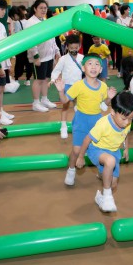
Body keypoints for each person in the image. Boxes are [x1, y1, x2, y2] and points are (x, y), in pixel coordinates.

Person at [54, 53, 117, 186]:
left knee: (100, 150)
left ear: (101, 69)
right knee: (77, 150)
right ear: (83, 68)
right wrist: (61, 91)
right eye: (90, 63)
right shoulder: (78, 85)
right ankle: (71, 170)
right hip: (81, 121)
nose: (93, 67)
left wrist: (109, 98)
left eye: (97, 64)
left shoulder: (103, 86)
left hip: (97, 122)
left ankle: (102, 171)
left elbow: (104, 106)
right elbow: (65, 100)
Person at [77, 91, 133, 212]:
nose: (127, 122)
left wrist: (126, 148)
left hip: (114, 151)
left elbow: (125, 135)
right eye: (124, 119)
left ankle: (101, 197)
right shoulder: (103, 124)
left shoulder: (127, 123)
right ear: (113, 112)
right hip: (97, 150)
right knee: (110, 161)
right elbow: (87, 139)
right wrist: (81, 157)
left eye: (130, 119)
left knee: (113, 184)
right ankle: (108, 197)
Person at [26, 0, 60, 112]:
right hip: (39, 58)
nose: (43, 10)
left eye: (45, 8)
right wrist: (35, 57)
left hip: (48, 56)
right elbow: (30, 41)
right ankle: (36, 103)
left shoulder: (45, 21)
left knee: (45, 79)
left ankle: (44, 99)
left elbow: (52, 38)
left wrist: (56, 51)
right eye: (41, 8)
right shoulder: (30, 23)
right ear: (35, 9)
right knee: (38, 80)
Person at [50, 34, 84, 139]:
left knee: (79, 107)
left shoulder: (82, 58)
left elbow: (86, 69)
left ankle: (78, 126)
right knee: (65, 106)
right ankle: (63, 126)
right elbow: (56, 70)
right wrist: (52, 79)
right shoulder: (63, 59)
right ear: (67, 47)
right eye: (71, 48)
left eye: (76, 48)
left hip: (79, 85)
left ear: (79, 46)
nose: (74, 50)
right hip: (68, 85)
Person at [9, 6, 33, 85]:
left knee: (19, 63)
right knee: (28, 63)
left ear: (15, 14)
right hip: (29, 46)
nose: (13, 19)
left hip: (21, 46)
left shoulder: (17, 23)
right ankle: (28, 79)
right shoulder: (27, 21)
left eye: (12, 17)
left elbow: (17, 35)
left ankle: (16, 79)